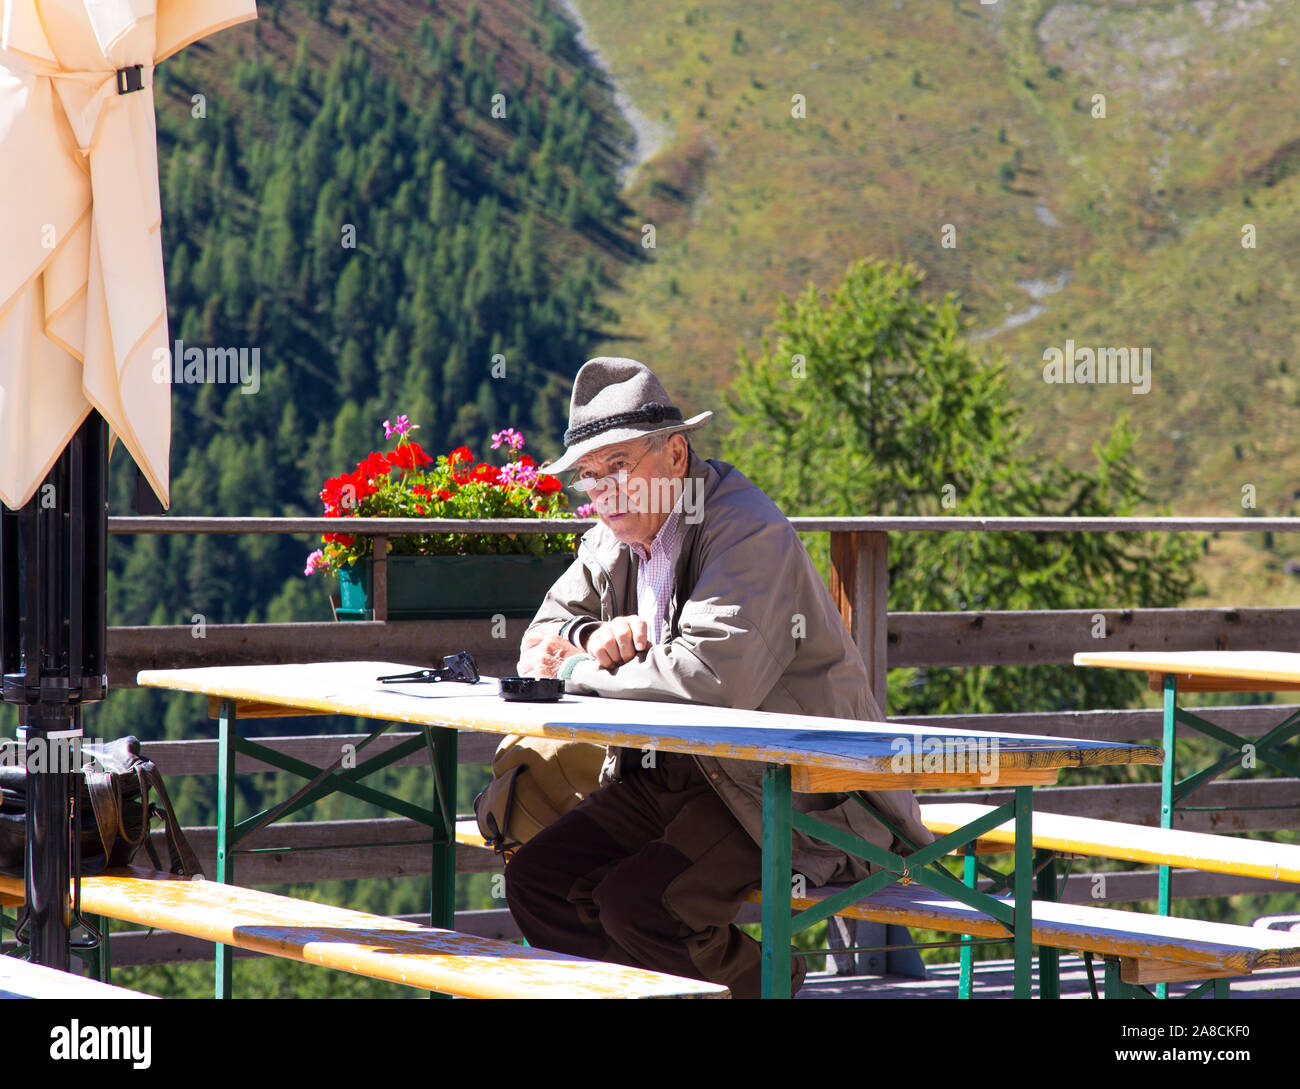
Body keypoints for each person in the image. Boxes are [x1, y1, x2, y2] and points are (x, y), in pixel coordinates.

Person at [507, 356, 933, 998]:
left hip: (794, 788)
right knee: (541, 881)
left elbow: (707, 681)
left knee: (640, 903)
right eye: (589, 479)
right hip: (675, 777)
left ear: (675, 456)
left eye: (618, 467)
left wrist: (576, 669)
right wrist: (590, 636)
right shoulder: (611, 537)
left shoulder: (746, 530)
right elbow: (536, 641)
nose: (602, 494)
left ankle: (770, 988)